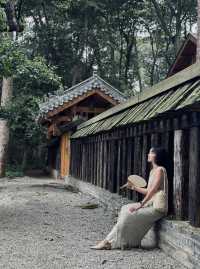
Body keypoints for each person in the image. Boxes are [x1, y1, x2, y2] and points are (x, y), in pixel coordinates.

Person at [90, 147, 169, 250]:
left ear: (156, 155)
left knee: (128, 215)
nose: (148, 154)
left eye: (150, 152)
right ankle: (119, 242)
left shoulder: (160, 170)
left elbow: (153, 191)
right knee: (125, 209)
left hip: (158, 208)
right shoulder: (152, 171)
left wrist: (141, 204)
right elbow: (148, 191)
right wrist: (133, 187)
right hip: (151, 204)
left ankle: (109, 241)